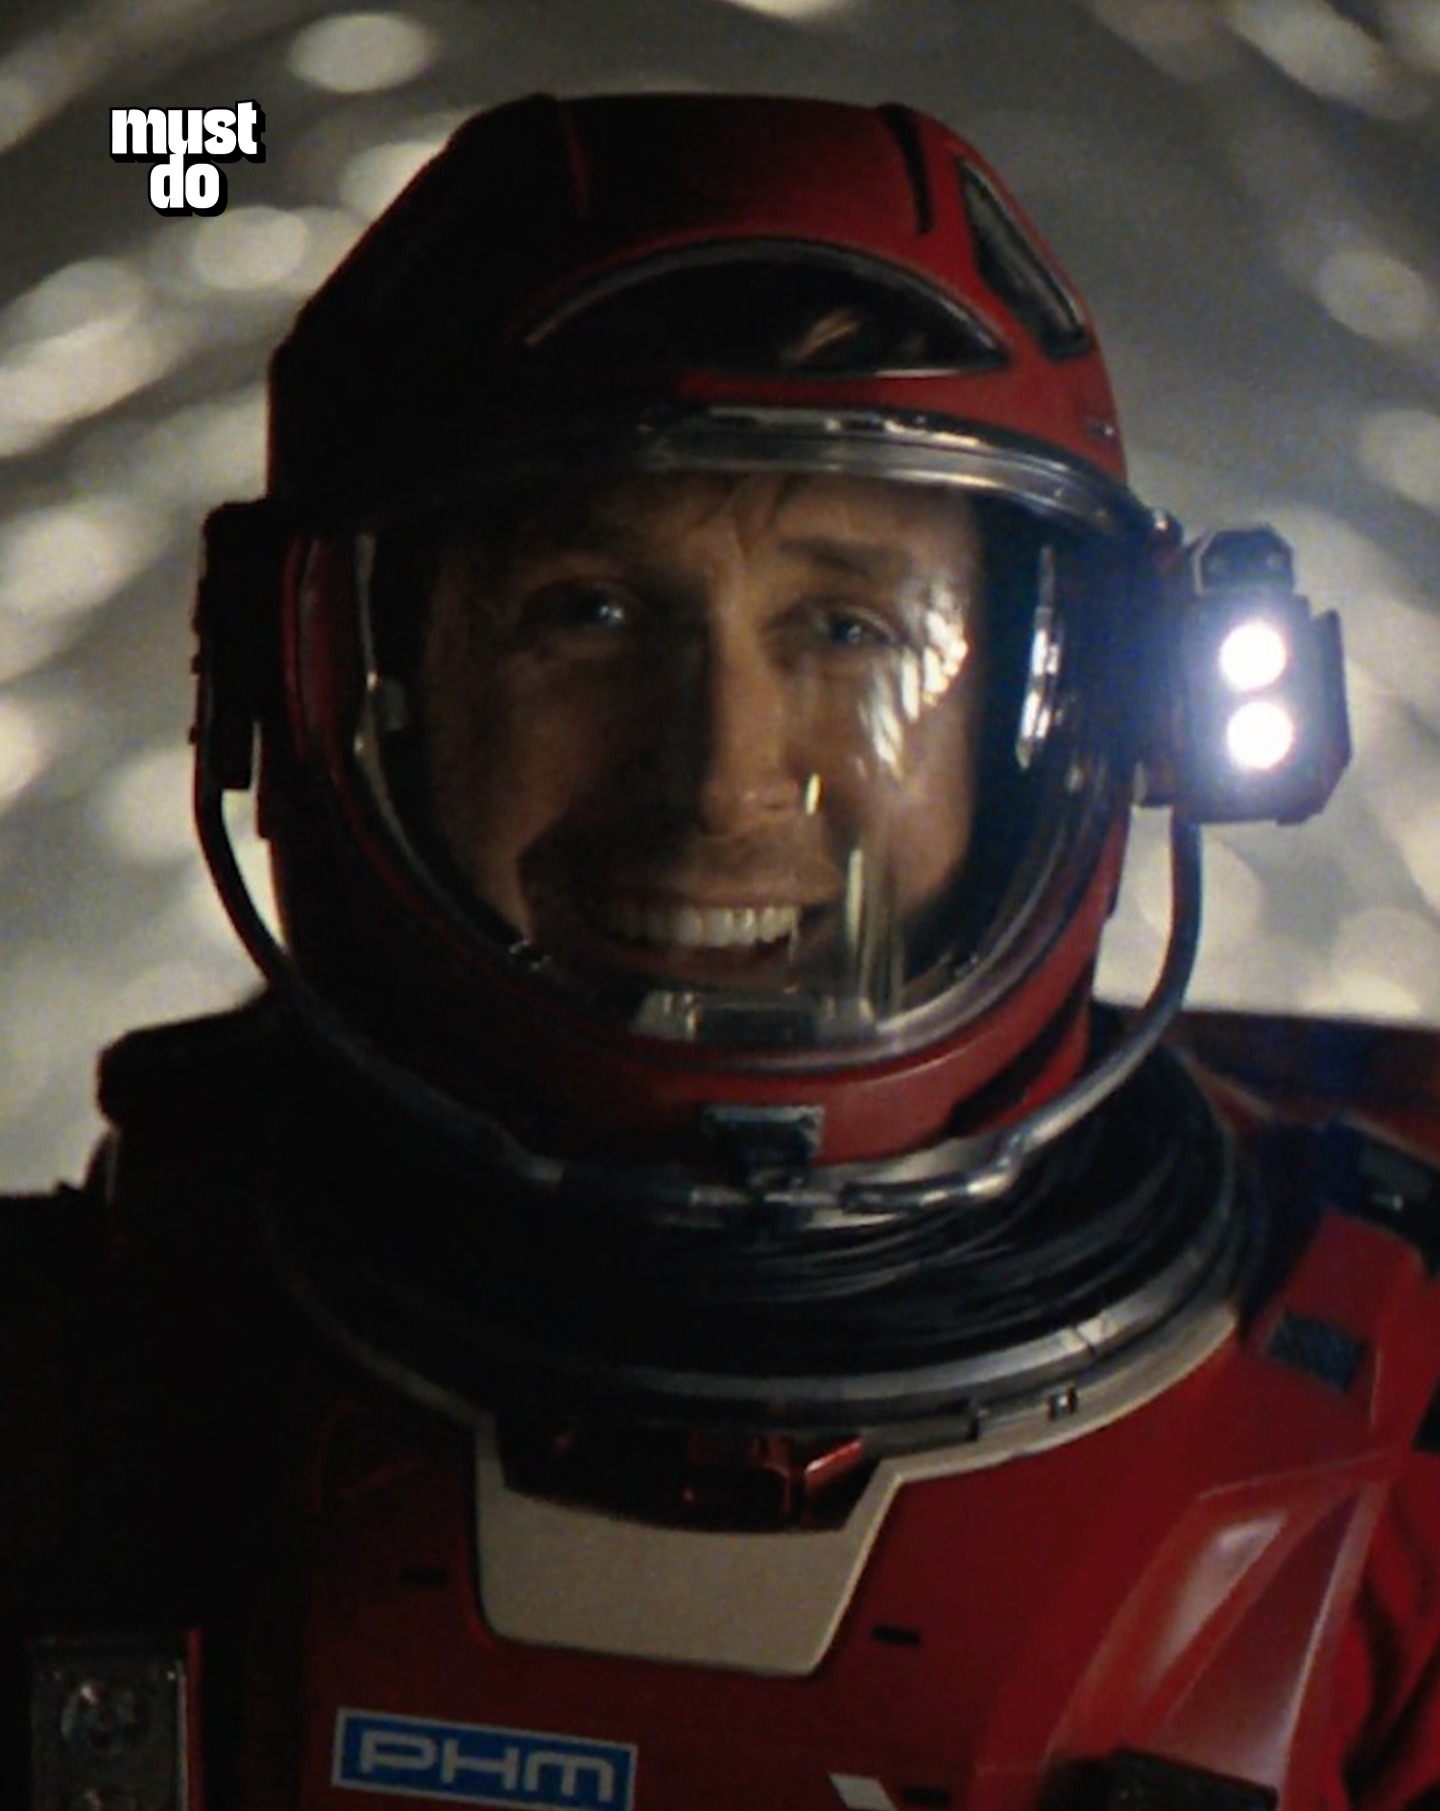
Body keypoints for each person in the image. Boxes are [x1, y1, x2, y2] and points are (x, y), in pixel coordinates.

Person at [5, 90, 1437, 1811]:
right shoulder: (64, 1403)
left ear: (1089, 710)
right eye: (589, 613)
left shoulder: (1400, 1463)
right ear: (320, 679)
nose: (721, 782)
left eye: (850, 628)